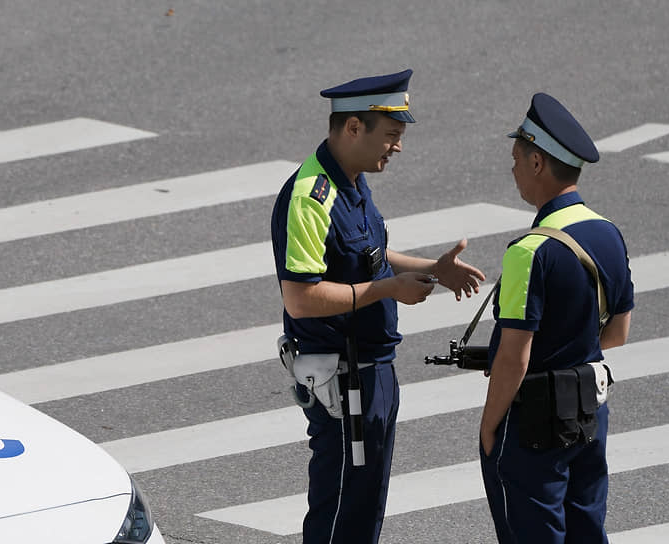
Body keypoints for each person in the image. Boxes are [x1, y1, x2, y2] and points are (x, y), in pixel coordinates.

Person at [270, 69, 485, 544]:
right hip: (342, 379)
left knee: (365, 510)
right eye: (390, 135)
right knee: (341, 512)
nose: (398, 147)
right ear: (353, 128)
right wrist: (388, 290)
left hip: (373, 373)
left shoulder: (349, 179)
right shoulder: (311, 196)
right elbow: (301, 298)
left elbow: (364, 254)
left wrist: (433, 268)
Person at [479, 92, 635, 543]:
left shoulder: (529, 251)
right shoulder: (608, 233)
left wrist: (489, 429)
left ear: (536, 164)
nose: (511, 170)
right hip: (589, 412)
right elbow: (619, 332)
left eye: (515, 159)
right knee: (587, 530)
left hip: (533, 426)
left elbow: (514, 357)